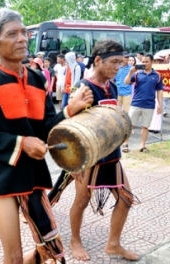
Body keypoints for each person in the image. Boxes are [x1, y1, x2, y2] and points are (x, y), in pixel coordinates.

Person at [0, 8, 93, 264]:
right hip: (3, 175)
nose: (22, 38)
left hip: (34, 174)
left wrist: (70, 109)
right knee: (14, 256)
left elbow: (45, 129)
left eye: (24, 32)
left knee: (51, 250)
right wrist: (21, 143)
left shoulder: (36, 79)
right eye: (12, 34)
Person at [48, 39, 139, 262]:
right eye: (114, 62)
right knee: (81, 200)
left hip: (112, 156)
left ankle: (113, 244)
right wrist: (75, 161)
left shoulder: (113, 86)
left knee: (126, 199)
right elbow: (70, 127)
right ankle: (75, 241)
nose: (118, 67)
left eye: (121, 63)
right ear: (97, 60)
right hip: (88, 159)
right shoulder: (84, 88)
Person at [122, 54, 163, 153]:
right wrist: (130, 72)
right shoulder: (137, 74)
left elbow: (159, 90)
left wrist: (160, 104)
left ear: (152, 62)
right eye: (143, 62)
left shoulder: (157, 75)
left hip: (149, 105)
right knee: (130, 125)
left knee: (145, 126)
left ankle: (142, 145)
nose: (144, 63)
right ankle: (125, 144)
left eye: (146, 62)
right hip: (136, 103)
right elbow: (126, 82)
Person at [148, 54, 166, 133]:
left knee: (158, 108)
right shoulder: (149, 70)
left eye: (158, 61)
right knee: (150, 110)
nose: (156, 62)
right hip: (150, 92)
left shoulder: (162, 71)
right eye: (155, 61)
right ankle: (150, 126)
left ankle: (156, 127)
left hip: (158, 92)